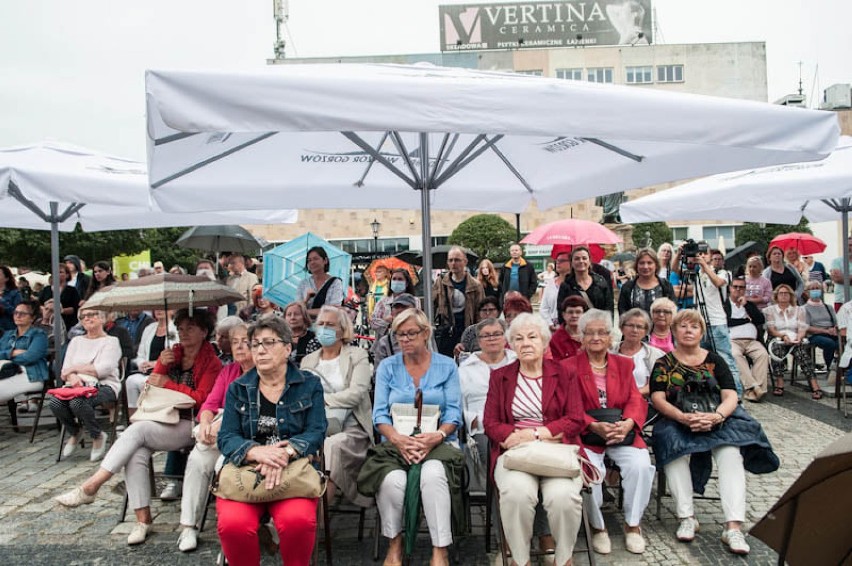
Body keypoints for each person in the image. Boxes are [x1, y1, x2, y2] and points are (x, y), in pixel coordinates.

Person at [55, 309, 221, 547]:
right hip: (160, 416)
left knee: (136, 431)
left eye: (190, 328)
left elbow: (203, 399)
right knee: (136, 452)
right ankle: (143, 519)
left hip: (190, 423)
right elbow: (151, 387)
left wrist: (169, 383)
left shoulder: (211, 361)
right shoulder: (172, 354)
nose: (183, 333)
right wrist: (161, 368)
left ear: (204, 332)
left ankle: (92, 485)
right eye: (181, 328)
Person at [650, 309, 779, 555]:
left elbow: (730, 394)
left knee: (731, 453)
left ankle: (733, 527)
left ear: (702, 332)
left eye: (694, 327)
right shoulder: (664, 362)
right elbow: (657, 398)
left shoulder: (715, 359)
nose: (688, 331)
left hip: (717, 417)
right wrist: (682, 418)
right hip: (679, 419)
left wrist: (717, 416)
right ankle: (686, 516)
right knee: (672, 451)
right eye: (683, 326)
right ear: (674, 331)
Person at [483, 312, 586, 566]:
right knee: (517, 494)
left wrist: (538, 433)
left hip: (556, 452)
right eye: (518, 339)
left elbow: (575, 418)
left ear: (544, 342)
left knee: (563, 498)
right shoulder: (501, 376)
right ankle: (520, 559)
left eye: (532, 337)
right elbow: (490, 422)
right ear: (512, 345)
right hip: (516, 453)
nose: (526, 343)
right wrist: (509, 437)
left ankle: (563, 558)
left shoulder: (564, 373)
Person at [364, 308, 463, 566]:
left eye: (410, 334)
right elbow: (379, 415)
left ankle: (439, 549)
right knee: (392, 481)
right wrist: (397, 439)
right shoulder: (387, 367)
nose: (404, 340)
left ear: (425, 333)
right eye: (399, 335)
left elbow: (454, 413)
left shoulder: (447, 366)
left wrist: (437, 436)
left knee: (433, 476)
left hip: (438, 441)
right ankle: (394, 545)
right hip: (396, 443)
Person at [566, 309, 654, 555]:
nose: (596, 337)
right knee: (590, 471)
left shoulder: (623, 364)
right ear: (582, 337)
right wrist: (592, 424)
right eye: (589, 333)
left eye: (601, 332)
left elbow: (636, 399)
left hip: (620, 431)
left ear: (610, 337)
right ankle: (598, 527)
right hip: (587, 433)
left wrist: (627, 423)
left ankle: (633, 524)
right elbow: (567, 405)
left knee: (640, 465)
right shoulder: (568, 366)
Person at [175, 322, 254, 552]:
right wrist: (206, 422)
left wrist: (221, 426)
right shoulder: (229, 371)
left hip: (243, 440)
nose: (239, 346)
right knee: (198, 458)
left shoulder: (262, 373)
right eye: (235, 341)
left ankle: (234, 527)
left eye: (245, 342)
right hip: (217, 436)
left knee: (221, 465)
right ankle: (188, 526)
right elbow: (210, 402)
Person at [301, 305, 373, 507]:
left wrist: (322, 400)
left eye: (330, 324)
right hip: (314, 425)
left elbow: (357, 393)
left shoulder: (357, 355)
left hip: (351, 426)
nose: (324, 328)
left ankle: (314, 526)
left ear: (342, 329)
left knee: (331, 449)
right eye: (321, 324)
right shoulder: (308, 360)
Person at [49, 309, 122, 461]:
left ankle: (97, 435)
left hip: (104, 385)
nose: (87, 318)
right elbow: (64, 370)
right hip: (74, 385)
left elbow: (103, 369)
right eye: (83, 316)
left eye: (92, 314)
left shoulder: (111, 341)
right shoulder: (76, 341)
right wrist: (72, 376)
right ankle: (75, 432)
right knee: (55, 402)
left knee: (78, 402)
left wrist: (74, 369)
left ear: (102, 318)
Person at [458, 317, 515, 490]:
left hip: (517, 425)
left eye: (497, 334)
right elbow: (458, 403)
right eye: (486, 336)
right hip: (482, 429)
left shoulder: (518, 361)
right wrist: (472, 421)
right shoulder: (466, 368)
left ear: (505, 337)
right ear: (479, 341)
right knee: (499, 469)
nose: (492, 339)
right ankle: (500, 511)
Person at [763, 284, 823, 399]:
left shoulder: (799, 310)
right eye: (781, 293)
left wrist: (799, 337)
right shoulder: (770, 310)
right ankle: (780, 383)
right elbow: (772, 330)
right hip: (778, 338)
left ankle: (815, 386)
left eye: (787, 293)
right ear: (776, 296)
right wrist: (783, 336)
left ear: (791, 296)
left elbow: (802, 328)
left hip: (794, 338)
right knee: (777, 351)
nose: (784, 296)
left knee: (802, 354)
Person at [432, 246, 485, 356]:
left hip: (467, 332)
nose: (453, 263)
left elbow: (481, 313)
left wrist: (478, 334)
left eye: (457, 260)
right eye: (450, 260)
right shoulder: (441, 282)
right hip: (446, 332)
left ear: (465, 262)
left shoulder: (476, 285)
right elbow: (432, 305)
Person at [125, 310, 178, 413]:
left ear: (171, 311)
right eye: (156, 308)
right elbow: (140, 355)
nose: (159, 310)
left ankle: (149, 414)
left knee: (143, 383)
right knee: (130, 380)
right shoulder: (149, 328)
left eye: (163, 308)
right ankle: (132, 417)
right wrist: (141, 364)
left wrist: (155, 363)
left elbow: (174, 354)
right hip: (146, 371)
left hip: (165, 372)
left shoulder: (174, 330)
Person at [727, 278, 769, 402]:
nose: (738, 290)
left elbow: (760, 319)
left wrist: (747, 306)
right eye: (735, 287)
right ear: (730, 288)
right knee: (735, 355)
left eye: (741, 287)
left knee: (762, 354)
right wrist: (746, 320)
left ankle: (754, 391)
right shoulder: (725, 304)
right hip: (733, 340)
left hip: (751, 341)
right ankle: (754, 387)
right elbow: (727, 321)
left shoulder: (749, 304)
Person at [0, 299, 49, 404]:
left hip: (30, 375)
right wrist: (11, 353)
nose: (17, 316)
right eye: (16, 313)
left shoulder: (38, 335)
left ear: (33, 318)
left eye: (22, 314)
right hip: (6, 373)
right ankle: (8, 419)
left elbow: (31, 356)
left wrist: (7, 358)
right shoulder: (7, 335)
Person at [614, 308, 665, 397]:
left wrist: (632, 394)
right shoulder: (609, 351)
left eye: (640, 327)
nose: (635, 330)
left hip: (642, 401)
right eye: (630, 325)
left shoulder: (656, 355)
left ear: (646, 331)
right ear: (621, 328)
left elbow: (656, 385)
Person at [617, 248, 675, 315]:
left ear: (656, 265)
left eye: (649, 263)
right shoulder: (627, 287)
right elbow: (623, 313)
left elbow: (672, 311)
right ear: (636, 265)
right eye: (642, 263)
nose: (645, 266)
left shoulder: (666, 286)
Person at [557, 246, 614, 313]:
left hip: (597, 322)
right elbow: (561, 310)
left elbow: (609, 308)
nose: (581, 261)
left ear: (589, 261)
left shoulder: (600, 283)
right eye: (577, 259)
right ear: (571, 263)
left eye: (584, 258)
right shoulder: (566, 285)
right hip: (575, 322)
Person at [370, 267, 419, 341]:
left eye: (400, 279)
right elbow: (373, 322)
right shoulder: (382, 302)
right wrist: (386, 321)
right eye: (394, 279)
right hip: (385, 344)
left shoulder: (414, 301)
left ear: (406, 283)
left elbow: (418, 321)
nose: (396, 281)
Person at [297, 246, 344, 319]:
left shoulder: (335, 283)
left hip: (328, 325)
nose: (312, 262)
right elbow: (297, 309)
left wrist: (306, 312)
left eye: (316, 259)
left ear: (325, 261)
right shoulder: (303, 284)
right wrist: (307, 299)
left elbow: (334, 310)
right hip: (307, 326)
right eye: (309, 260)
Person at [803, 280, 838, 373]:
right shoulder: (804, 308)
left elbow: (836, 322)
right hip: (814, 334)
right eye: (812, 289)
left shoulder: (828, 307)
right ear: (807, 292)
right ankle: (830, 368)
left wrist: (834, 329)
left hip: (831, 332)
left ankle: (843, 369)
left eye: (817, 288)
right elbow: (807, 327)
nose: (815, 290)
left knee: (844, 342)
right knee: (829, 344)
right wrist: (825, 331)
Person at [38, 263, 80, 332]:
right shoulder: (46, 289)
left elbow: (75, 308)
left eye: (60, 272)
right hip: (47, 324)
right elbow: (39, 304)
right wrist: (47, 310)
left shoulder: (72, 290)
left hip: (66, 323)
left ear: (67, 275)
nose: (57, 274)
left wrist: (60, 310)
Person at [549, 296, 589, 361]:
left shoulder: (592, 335)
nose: (574, 315)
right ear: (563, 315)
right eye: (570, 312)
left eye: (578, 312)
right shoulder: (555, 340)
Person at [539, 251, 571, 329]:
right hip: (553, 327)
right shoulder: (550, 283)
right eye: (557, 260)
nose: (558, 263)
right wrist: (549, 323)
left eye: (562, 261)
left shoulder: (575, 284)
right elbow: (543, 308)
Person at [0, 265, 23, 332]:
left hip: (7, 330)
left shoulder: (15, 293)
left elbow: (18, 313)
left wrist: (2, 301)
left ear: (6, 278)